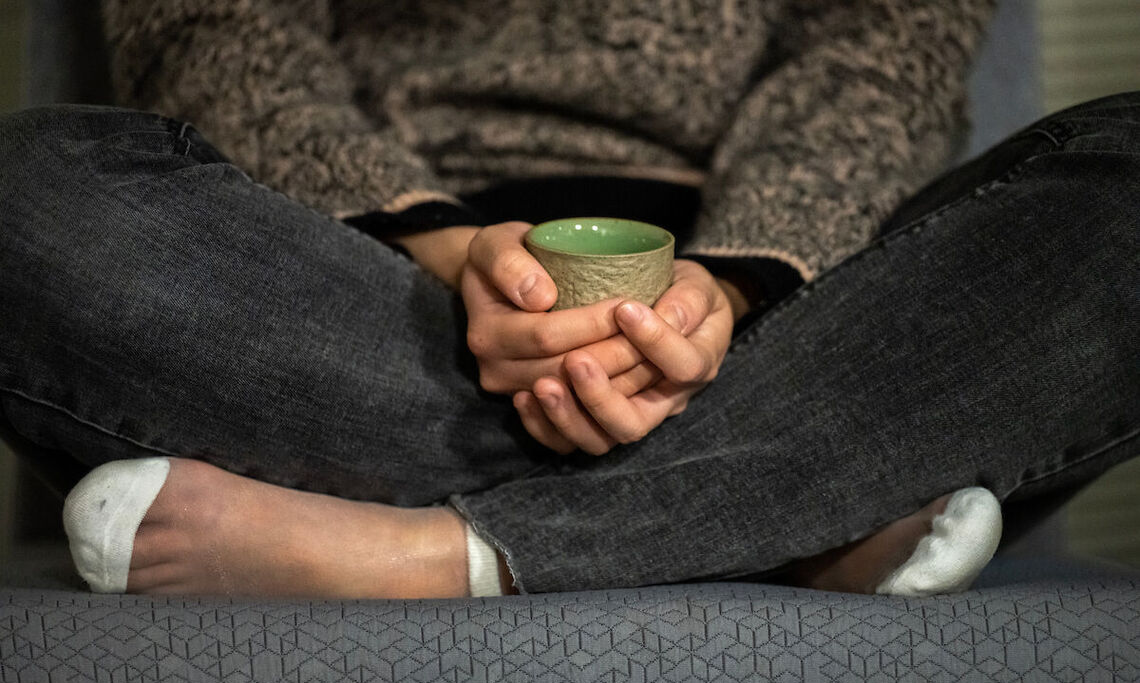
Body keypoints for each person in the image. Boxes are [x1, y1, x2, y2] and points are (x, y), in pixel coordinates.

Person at [1, 0, 1137, 599]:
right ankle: (799, 518)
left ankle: (442, 558)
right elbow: (217, 34)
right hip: (359, 288)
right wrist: (440, 252)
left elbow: (879, 69)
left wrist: (731, 288)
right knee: (25, 189)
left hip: (797, 310)